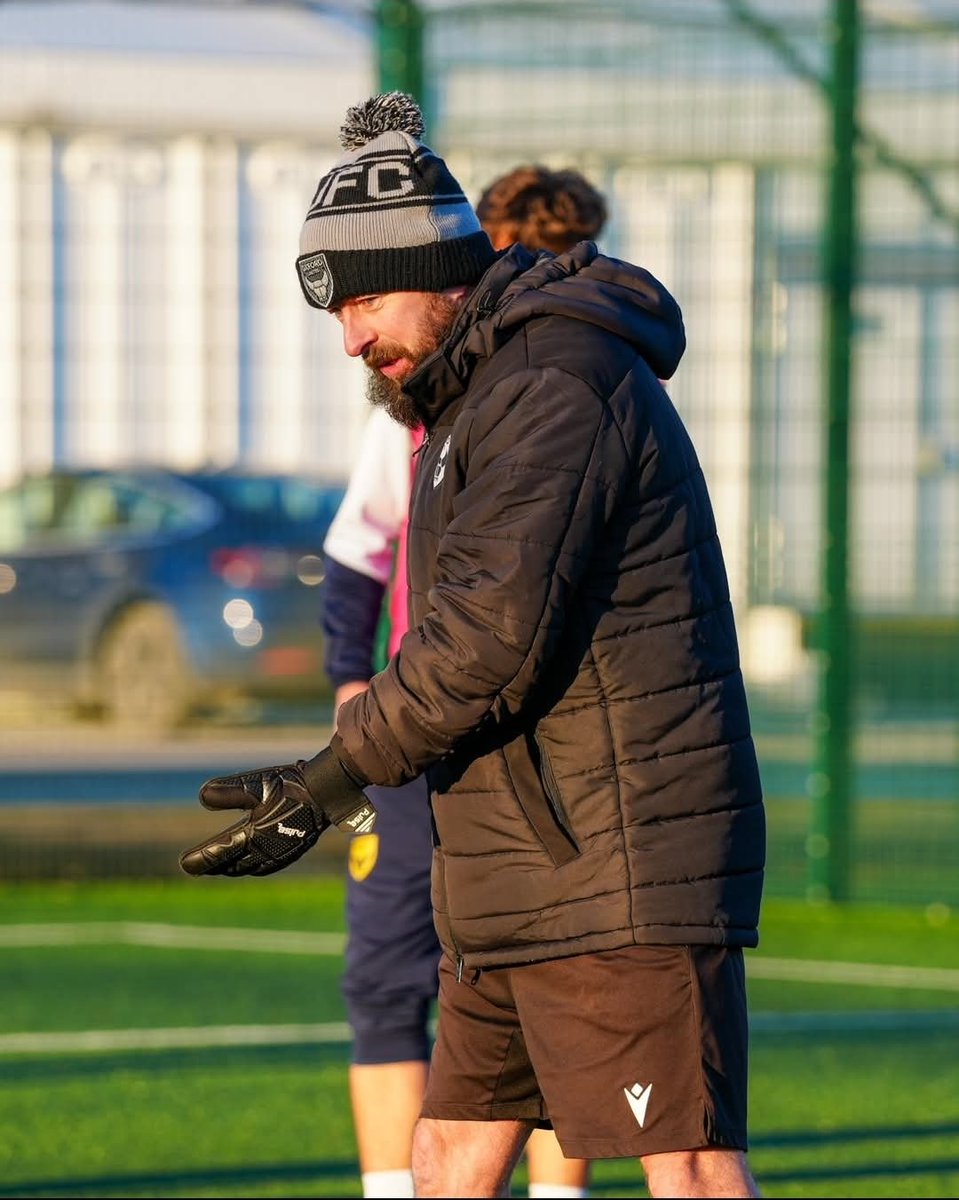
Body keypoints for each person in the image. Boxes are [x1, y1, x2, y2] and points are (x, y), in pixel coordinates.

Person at [181, 91, 766, 1199]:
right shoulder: (468, 396)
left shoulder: (554, 382)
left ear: (440, 269)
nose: (352, 338)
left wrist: (331, 774)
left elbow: (483, 639)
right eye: (336, 313)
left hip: (614, 868)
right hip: (512, 868)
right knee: (448, 1155)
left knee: (685, 1163)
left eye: (366, 301)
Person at [321, 165, 608, 1199]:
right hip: (419, 735)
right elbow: (357, 552)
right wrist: (350, 685)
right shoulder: (413, 411)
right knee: (402, 981)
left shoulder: (582, 393)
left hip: (528, 742)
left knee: (546, 987)